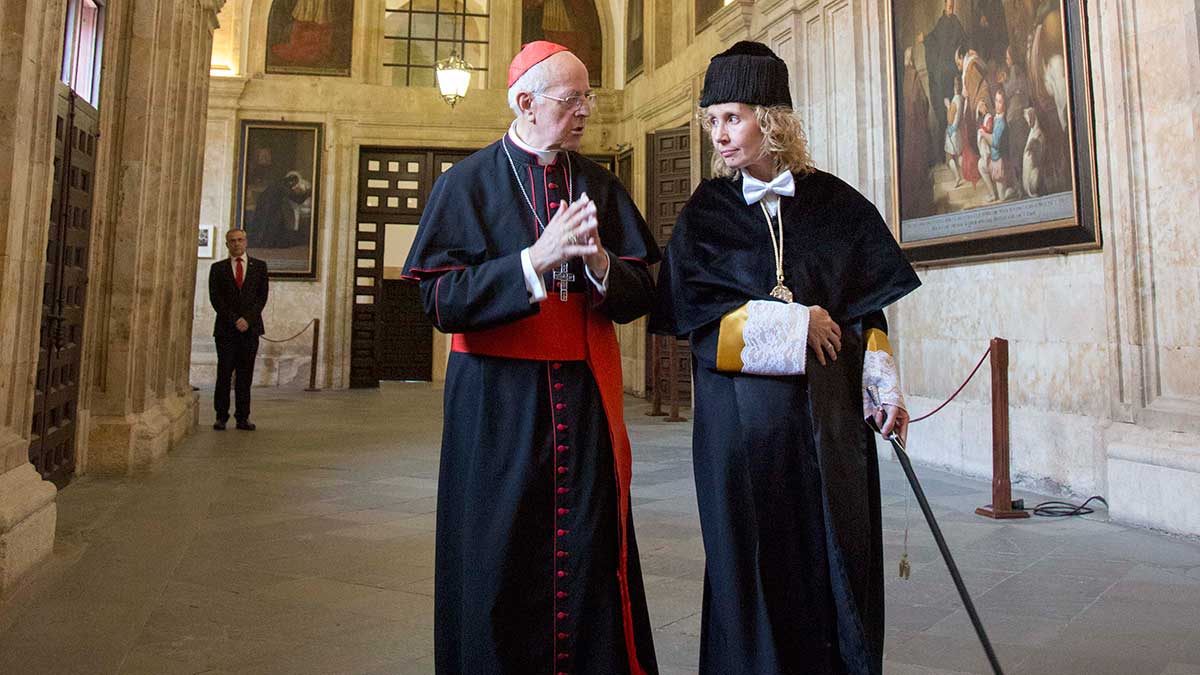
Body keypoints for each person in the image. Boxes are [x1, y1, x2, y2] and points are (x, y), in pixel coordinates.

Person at [650, 41, 921, 675]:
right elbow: (699, 329)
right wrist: (794, 325)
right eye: (711, 119)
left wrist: (884, 384)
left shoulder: (836, 204)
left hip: (827, 432)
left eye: (732, 117)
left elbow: (866, 308)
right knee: (752, 565)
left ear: (771, 120)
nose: (719, 135)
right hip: (741, 438)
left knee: (833, 557)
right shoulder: (704, 216)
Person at [402, 41, 659, 675]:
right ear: (525, 103)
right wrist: (531, 261)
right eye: (573, 100)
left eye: (588, 98)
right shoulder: (465, 184)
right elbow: (436, 298)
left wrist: (599, 263)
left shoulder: (598, 183)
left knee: (592, 552)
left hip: (584, 404)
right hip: (497, 405)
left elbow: (642, 290)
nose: (586, 112)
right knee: (498, 555)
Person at [208, 228, 269, 431]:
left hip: (249, 330)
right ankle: (221, 416)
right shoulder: (218, 269)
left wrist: (248, 320)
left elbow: (261, 297)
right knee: (224, 374)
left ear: (246, 242)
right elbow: (216, 299)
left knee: (245, 375)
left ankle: (243, 417)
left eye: (240, 240)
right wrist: (235, 319)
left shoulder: (259, 267)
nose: (237, 244)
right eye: (232, 241)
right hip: (226, 329)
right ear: (227, 244)